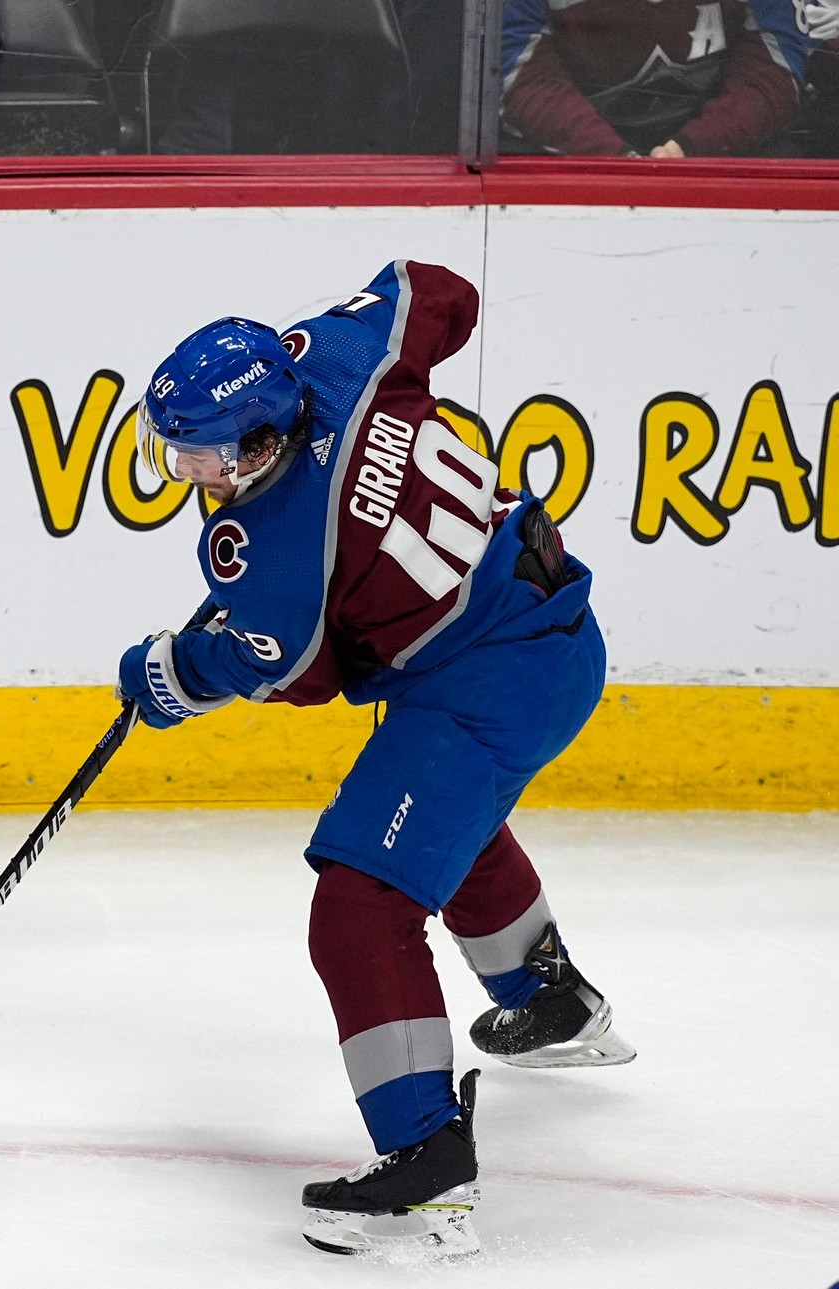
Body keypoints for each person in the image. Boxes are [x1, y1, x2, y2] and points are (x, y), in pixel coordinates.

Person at [116, 263, 634, 1257]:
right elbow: (432, 289)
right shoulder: (341, 355)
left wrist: (171, 672)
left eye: (195, 458)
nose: (185, 474)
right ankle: (548, 997)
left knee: (359, 897)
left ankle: (424, 1166)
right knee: (444, 822)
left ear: (260, 442)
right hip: (547, 617)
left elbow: (300, 672)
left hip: (485, 679)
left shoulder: (278, 555)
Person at [501, 0, 813, 157]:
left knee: (787, 157)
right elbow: (519, 76)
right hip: (574, 156)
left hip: (708, 148)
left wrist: (691, 147)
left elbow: (775, 72)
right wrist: (612, 157)